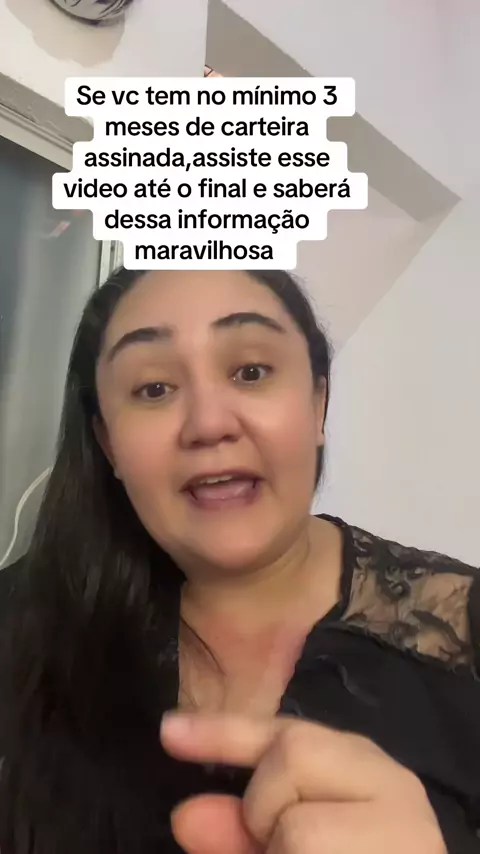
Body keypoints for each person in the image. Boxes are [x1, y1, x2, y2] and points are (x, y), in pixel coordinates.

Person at [0, 268, 479, 854]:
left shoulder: (463, 625)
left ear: (318, 404)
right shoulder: (20, 620)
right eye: (154, 388)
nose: (209, 424)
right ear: (108, 444)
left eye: (250, 372)